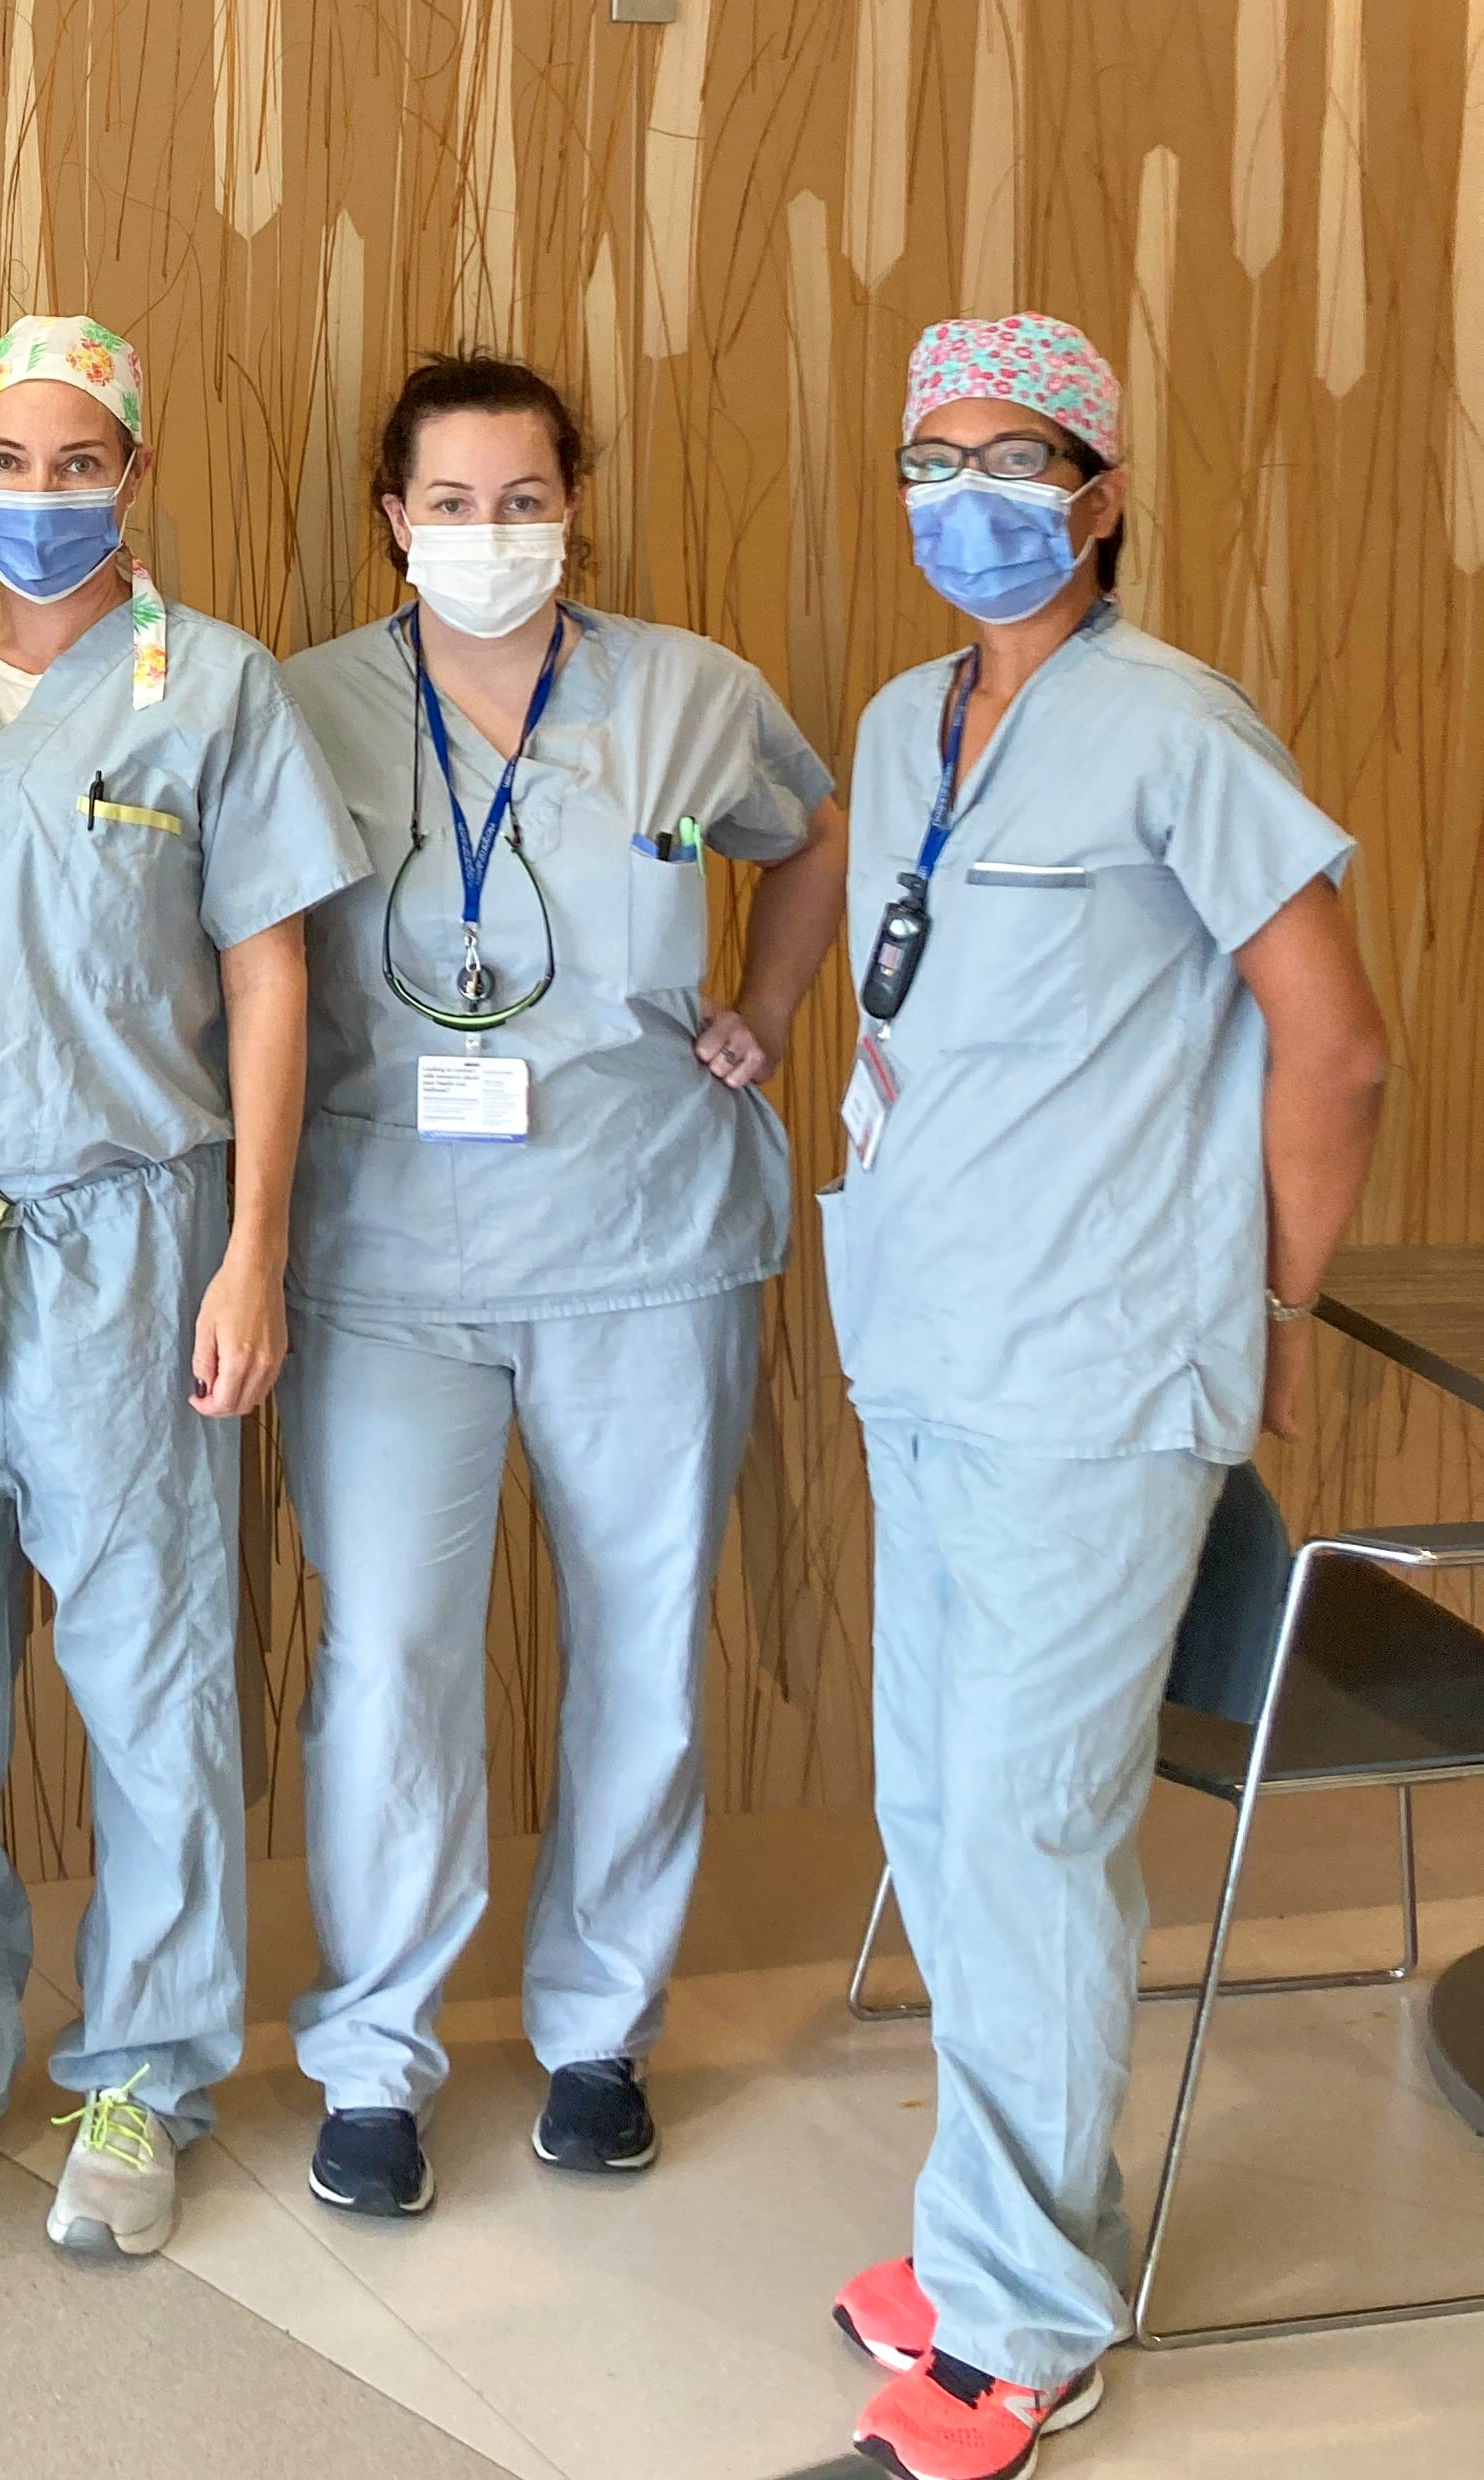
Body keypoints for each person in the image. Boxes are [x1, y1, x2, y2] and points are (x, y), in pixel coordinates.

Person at [818, 316, 1386, 2480]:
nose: (967, 496)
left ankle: (1025, 2323)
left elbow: (1332, 1045)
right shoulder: (901, 723)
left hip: (1106, 1362)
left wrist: (1273, 1304)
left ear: (1103, 494)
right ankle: (994, 2239)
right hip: (933, 1337)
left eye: (1015, 459)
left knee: (1039, 1834)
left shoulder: (1171, 726)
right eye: (930, 457)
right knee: (941, 1818)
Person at [0, 314, 369, 2261]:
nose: (40, 496)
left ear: (138, 466)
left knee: (154, 1672)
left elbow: (273, 974)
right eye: (6, 460)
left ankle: (147, 2068)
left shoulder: (218, 692)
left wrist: (255, 1244)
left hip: (136, 1242)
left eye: (77, 457)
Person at [274, 353, 847, 2217]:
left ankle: (600, 2032)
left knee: (641, 1651)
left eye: (524, 499)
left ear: (573, 505)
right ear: (392, 517)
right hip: (382, 1258)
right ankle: (376, 2053)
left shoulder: (692, 693)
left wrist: (765, 1008)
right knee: (392, 1670)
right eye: (452, 502)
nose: (490, 535)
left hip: (645, 1241)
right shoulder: (303, 709)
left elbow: (811, 830)